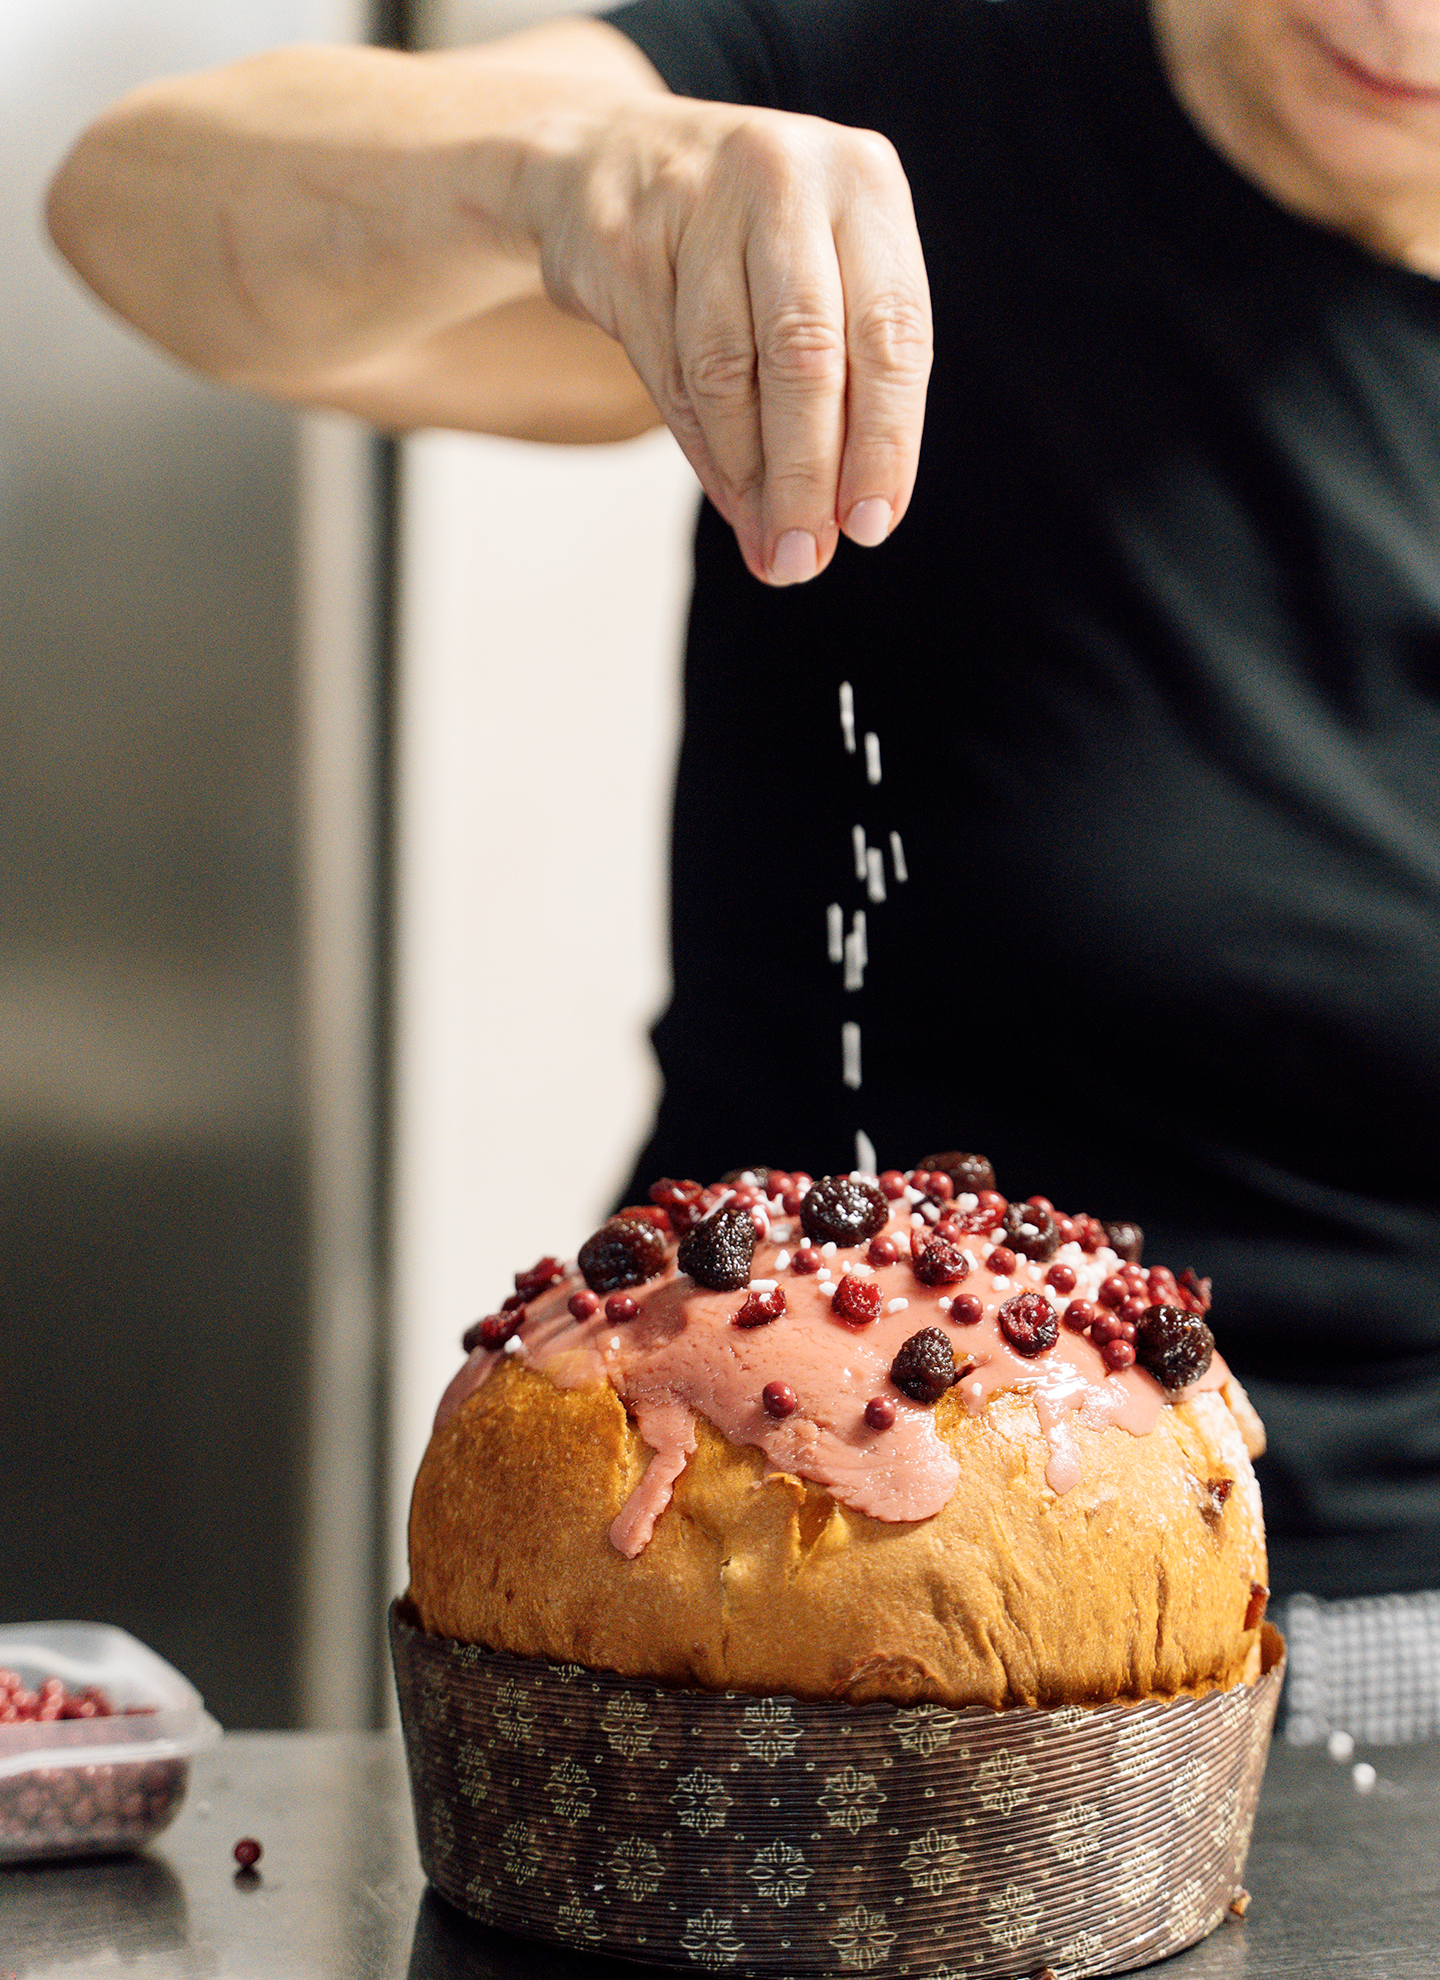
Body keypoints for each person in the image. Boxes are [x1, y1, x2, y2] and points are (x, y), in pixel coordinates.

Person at [46, 0, 1440, 1734]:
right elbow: (133, 210)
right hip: (754, 1566)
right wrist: (589, 173)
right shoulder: (917, 105)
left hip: (1393, 1644)